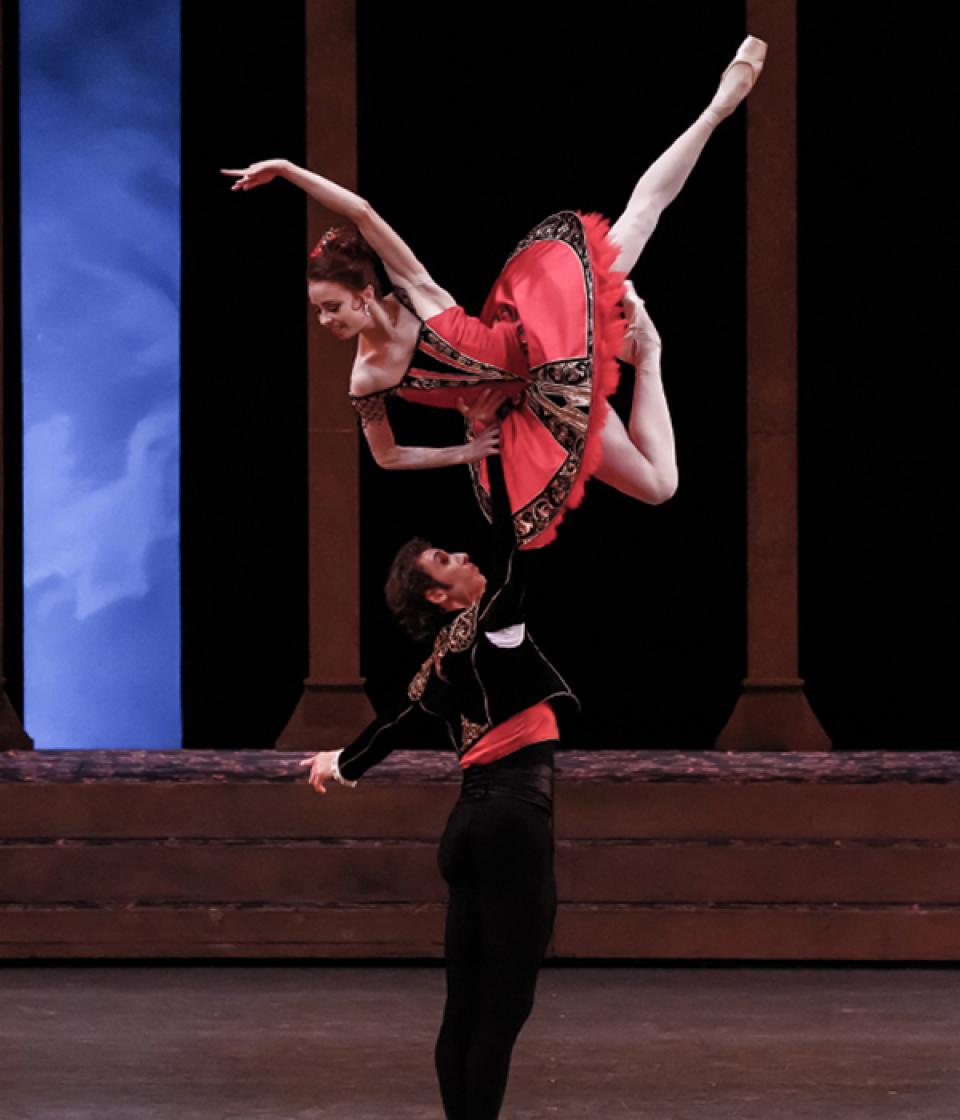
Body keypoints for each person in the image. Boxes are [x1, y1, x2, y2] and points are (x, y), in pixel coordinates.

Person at [299, 297, 669, 1120]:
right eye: (445, 558)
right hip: (508, 826)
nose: (462, 554)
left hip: (467, 831)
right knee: (501, 1014)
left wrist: (341, 763)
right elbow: (510, 541)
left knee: (463, 1011)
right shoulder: (492, 622)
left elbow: (396, 723)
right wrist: (503, 447)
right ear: (440, 594)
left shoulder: (441, 658)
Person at [224, 36, 766, 548]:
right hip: (534, 409)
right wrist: (464, 451)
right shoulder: (367, 377)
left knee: (640, 217)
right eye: (318, 312)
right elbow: (387, 457)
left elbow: (362, 212)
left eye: (331, 307)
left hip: (543, 328)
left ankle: (717, 107)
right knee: (659, 486)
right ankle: (650, 357)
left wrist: (289, 170)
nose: (325, 322)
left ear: (366, 294)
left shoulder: (415, 291)